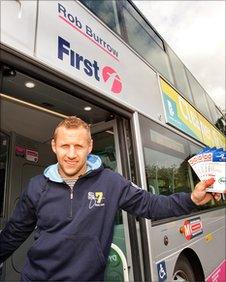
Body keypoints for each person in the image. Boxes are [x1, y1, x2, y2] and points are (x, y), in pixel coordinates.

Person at [0, 116, 221, 281]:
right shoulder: (36, 186)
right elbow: (14, 232)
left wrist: (191, 199)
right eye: (65, 146)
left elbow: (151, 205)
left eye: (78, 146)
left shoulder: (111, 182)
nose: (71, 154)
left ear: (89, 147)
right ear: (54, 146)